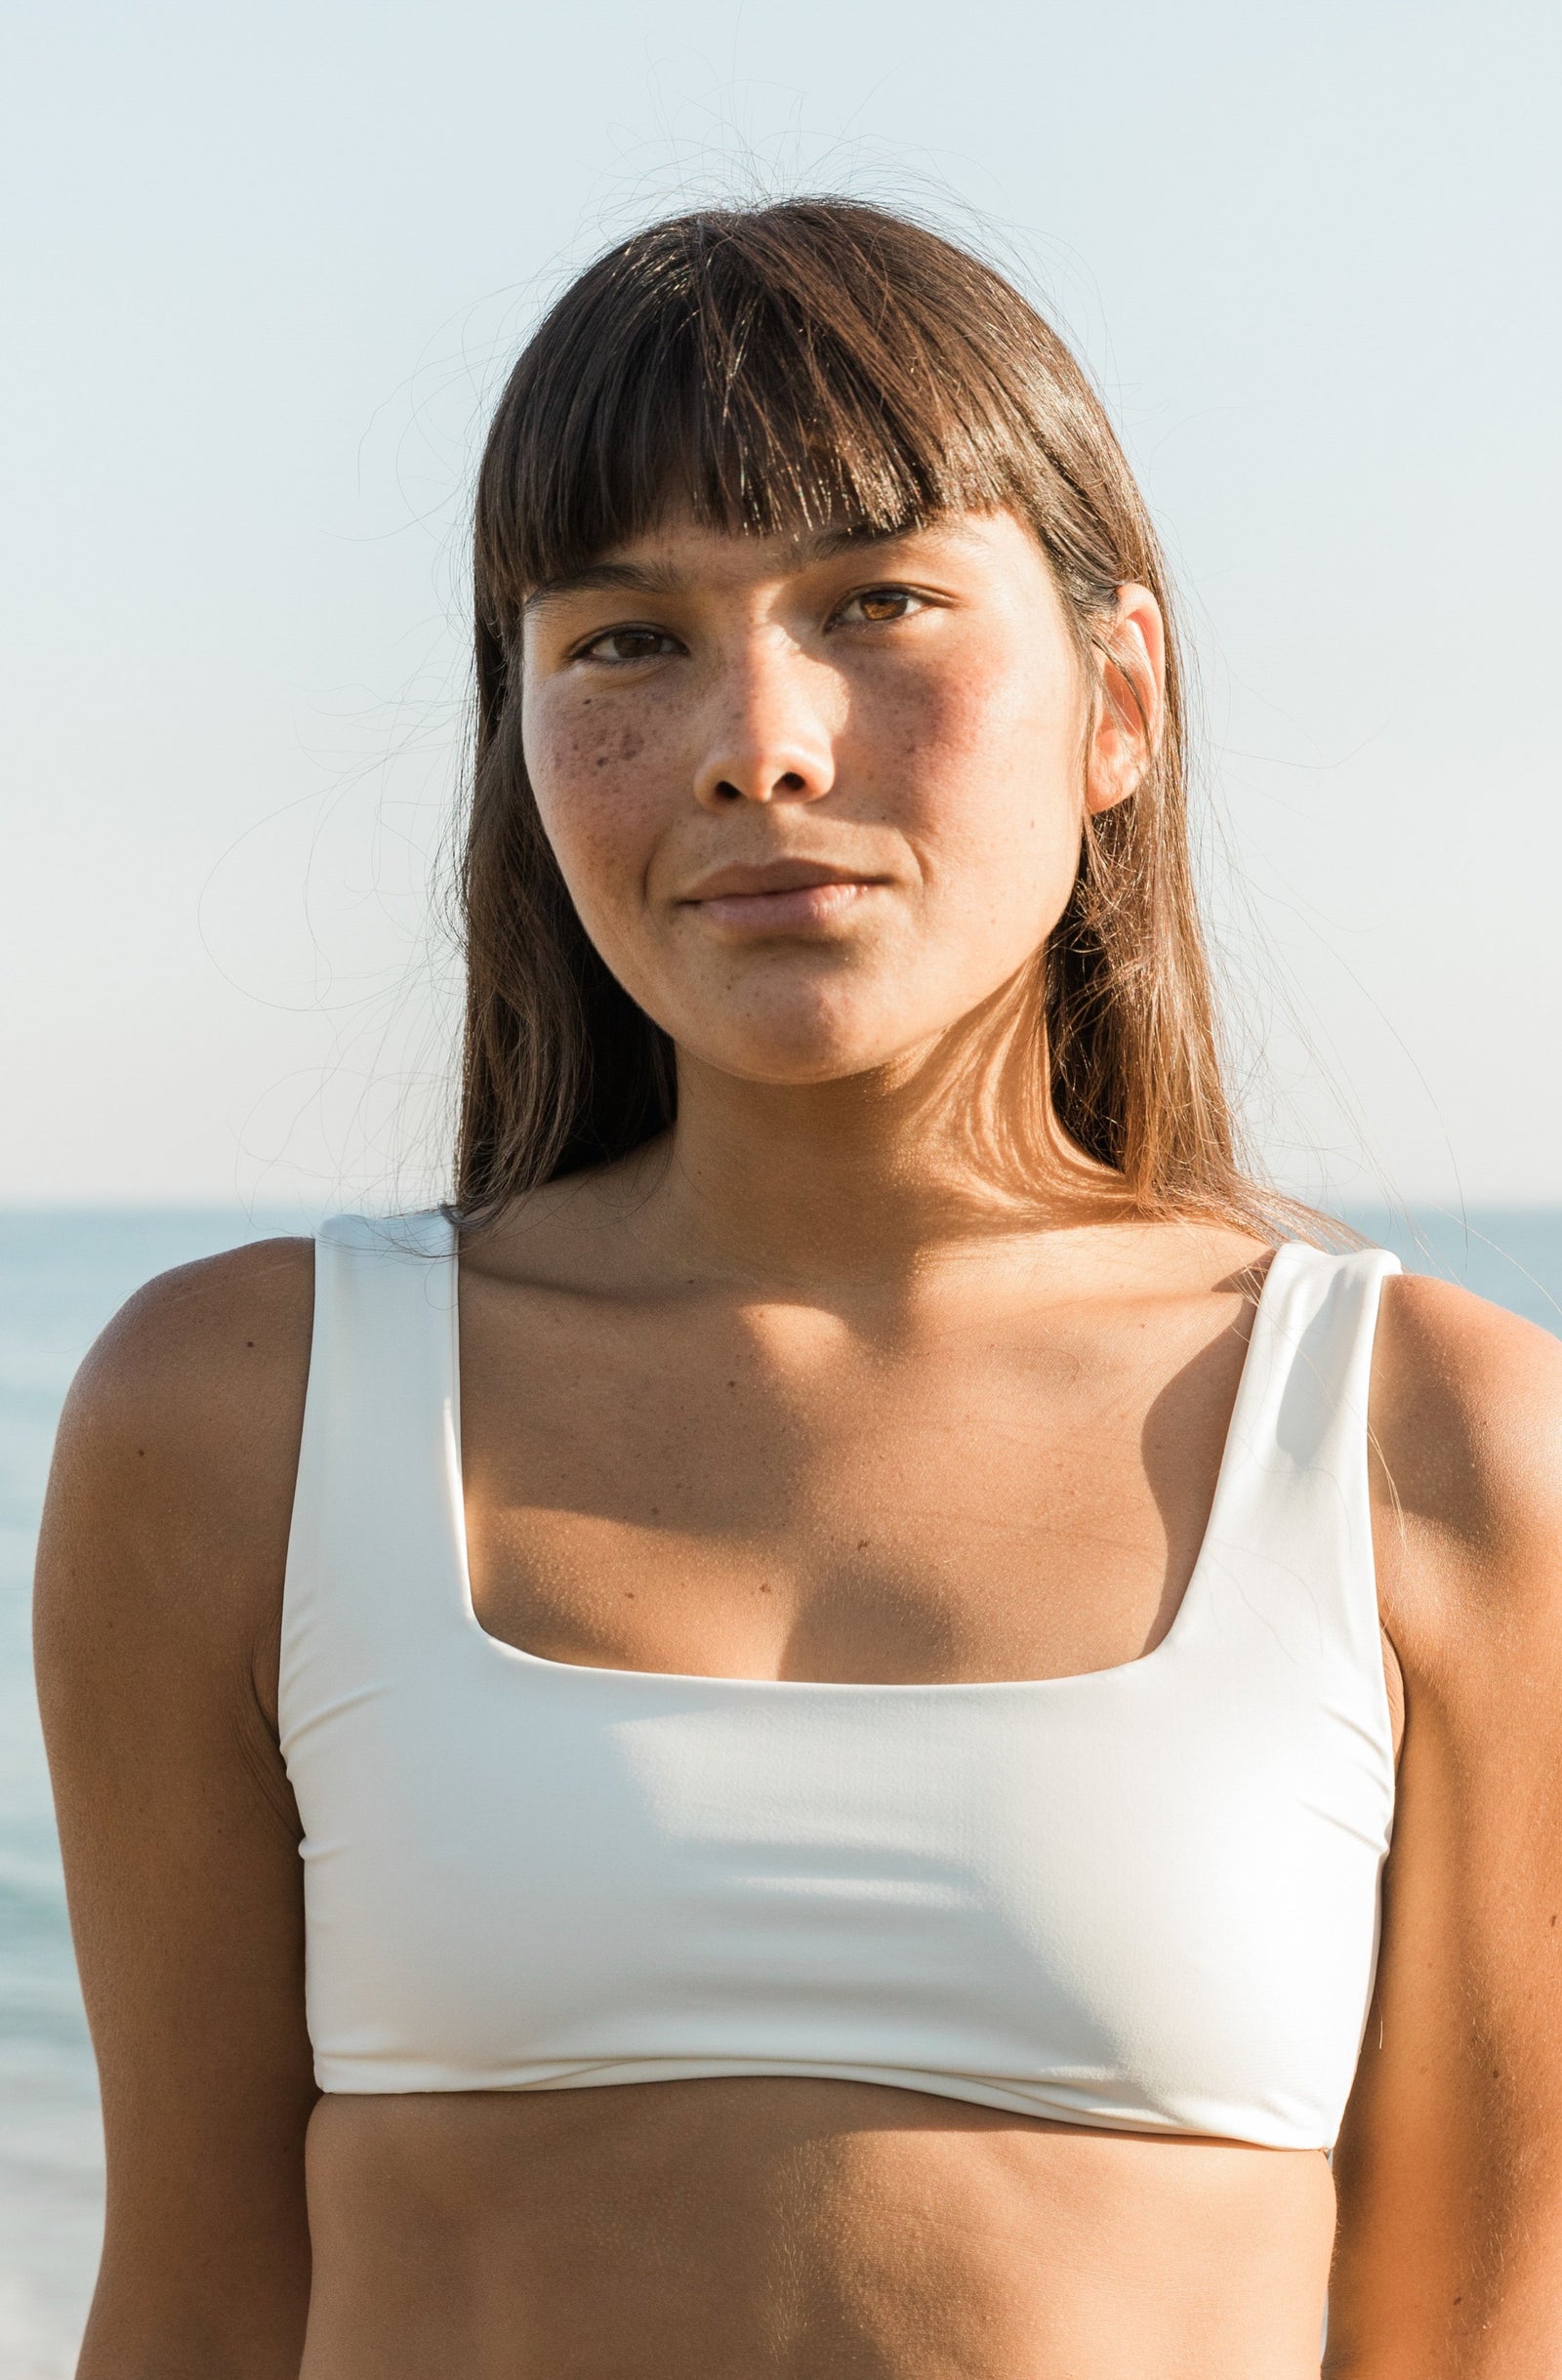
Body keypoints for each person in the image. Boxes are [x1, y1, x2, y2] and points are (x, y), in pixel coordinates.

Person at [34, 198, 1562, 2380]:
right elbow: (190, 2305)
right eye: (626, 640)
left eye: (878, 605)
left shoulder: (1429, 1444)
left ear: (1115, 697)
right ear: (523, 729)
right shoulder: (238, 1410)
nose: (761, 742)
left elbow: (1478, 2341)